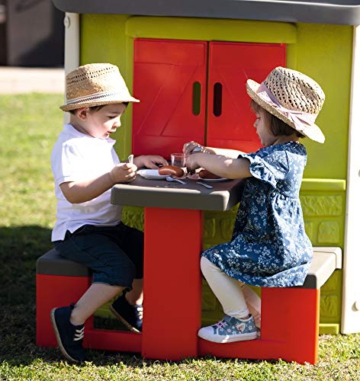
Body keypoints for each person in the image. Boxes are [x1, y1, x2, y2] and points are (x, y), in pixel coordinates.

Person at [183, 66, 325, 343]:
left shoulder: (281, 157)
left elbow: (235, 167)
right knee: (229, 262)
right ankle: (258, 316)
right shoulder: (285, 151)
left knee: (211, 261)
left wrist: (200, 159)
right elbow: (242, 158)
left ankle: (240, 321)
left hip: (274, 249)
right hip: (277, 244)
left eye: (258, 118)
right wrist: (210, 151)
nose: (254, 124)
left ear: (276, 121)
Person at [50, 63, 168, 362]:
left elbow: (106, 172)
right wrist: (113, 177)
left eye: (118, 117)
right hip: (78, 232)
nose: (116, 124)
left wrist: (138, 162)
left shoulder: (97, 140)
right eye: (110, 117)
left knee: (151, 251)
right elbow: (74, 193)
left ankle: (128, 303)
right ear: (83, 112)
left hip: (107, 227)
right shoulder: (70, 146)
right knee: (119, 270)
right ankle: (72, 319)